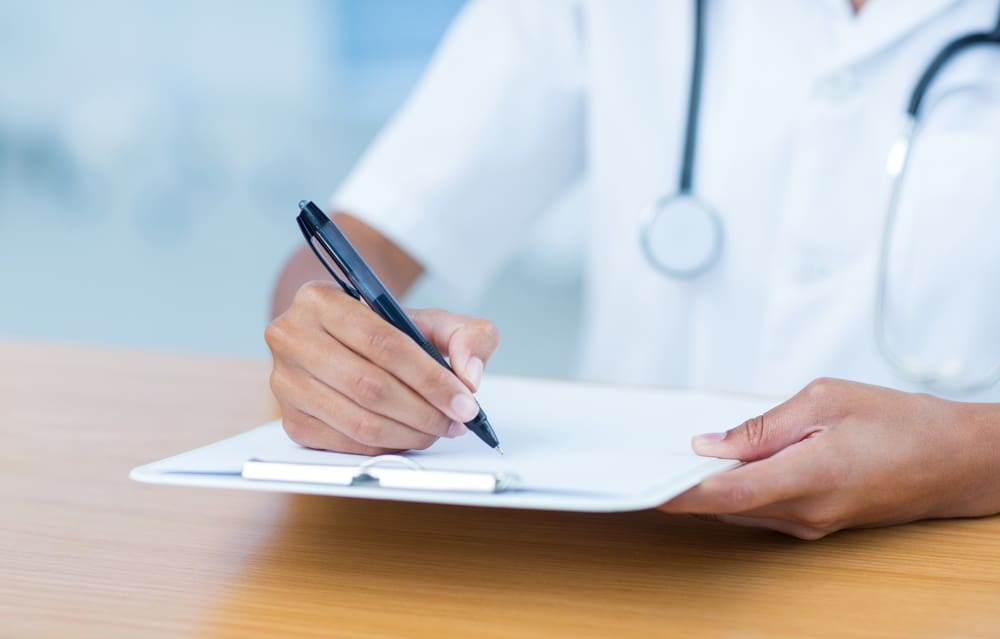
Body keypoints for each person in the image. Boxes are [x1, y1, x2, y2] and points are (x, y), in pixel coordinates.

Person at [265, 0, 1000, 539]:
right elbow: (346, 249)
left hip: (953, 567)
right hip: (632, 566)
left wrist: (970, 455)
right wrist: (337, 356)